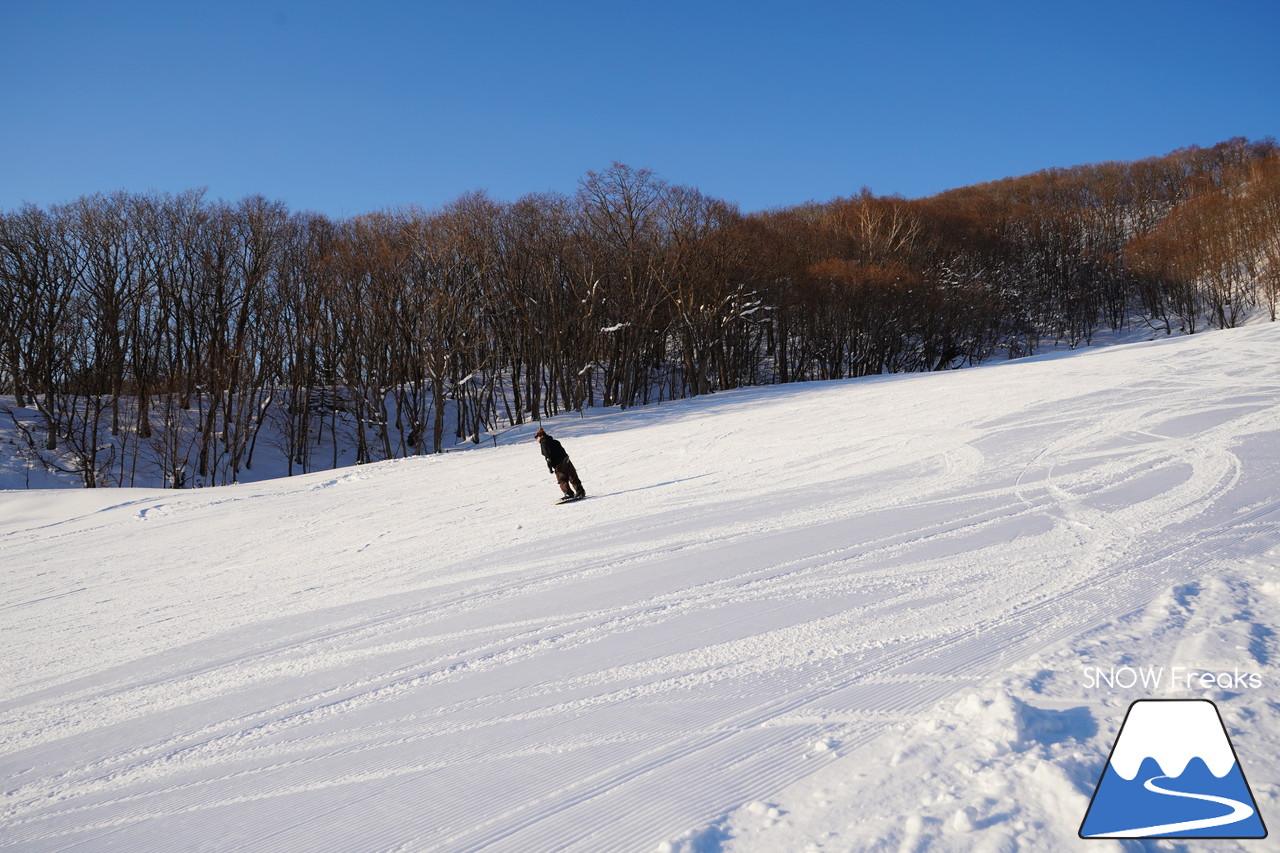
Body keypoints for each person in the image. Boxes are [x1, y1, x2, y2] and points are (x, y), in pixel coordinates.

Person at [536, 427, 585, 500]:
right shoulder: (555, 441)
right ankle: (580, 491)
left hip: (559, 462)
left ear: (542, 436)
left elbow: (548, 457)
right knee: (572, 475)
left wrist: (550, 467)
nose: (537, 439)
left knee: (561, 478)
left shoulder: (544, 443)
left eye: (537, 437)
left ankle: (569, 494)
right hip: (566, 459)